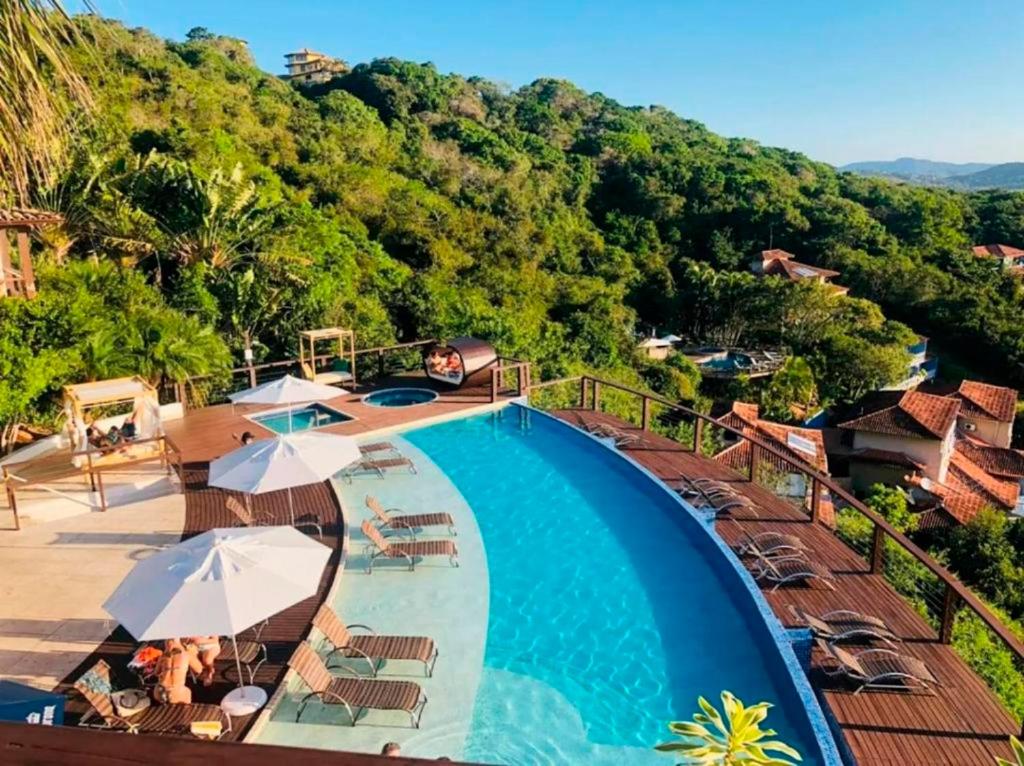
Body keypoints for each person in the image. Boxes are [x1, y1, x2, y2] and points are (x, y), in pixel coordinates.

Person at [153, 638, 202, 705]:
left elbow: (156, 673)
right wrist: (194, 654)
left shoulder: (163, 656)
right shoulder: (186, 654)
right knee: (188, 692)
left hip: (160, 691)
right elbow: (199, 669)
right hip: (176, 691)